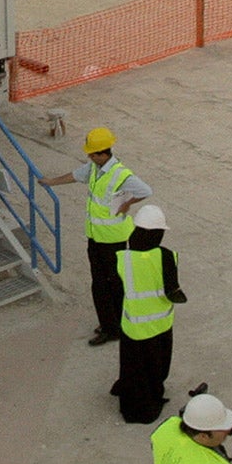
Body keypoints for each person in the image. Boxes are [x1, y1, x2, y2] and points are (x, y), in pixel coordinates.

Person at [39, 127, 151, 345]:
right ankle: (110, 323)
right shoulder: (93, 168)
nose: (89, 157)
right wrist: (51, 181)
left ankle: (113, 328)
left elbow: (145, 190)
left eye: (92, 153)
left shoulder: (119, 173)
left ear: (103, 153)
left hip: (113, 239)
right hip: (96, 236)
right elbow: (74, 176)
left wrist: (128, 203)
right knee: (101, 283)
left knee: (110, 284)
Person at [112, 203, 184, 424]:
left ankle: (130, 400)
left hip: (133, 327)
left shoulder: (123, 259)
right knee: (154, 369)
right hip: (160, 326)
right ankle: (148, 405)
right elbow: (175, 292)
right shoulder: (167, 257)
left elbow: (117, 289)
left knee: (133, 369)